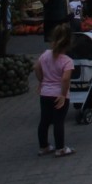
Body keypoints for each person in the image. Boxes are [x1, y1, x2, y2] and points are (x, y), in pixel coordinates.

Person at [34, 22, 75, 157]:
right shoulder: (67, 61)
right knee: (58, 121)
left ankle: (43, 146)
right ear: (68, 43)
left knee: (44, 120)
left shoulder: (45, 54)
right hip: (59, 94)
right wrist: (63, 94)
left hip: (45, 93)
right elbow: (65, 79)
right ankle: (60, 148)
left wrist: (41, 81)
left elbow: (36, 67)